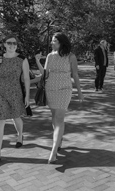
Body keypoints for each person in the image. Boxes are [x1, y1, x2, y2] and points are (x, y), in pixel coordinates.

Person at [35, 32, 84, 164]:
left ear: (61, 42)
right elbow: (44, 74)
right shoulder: (50, 56)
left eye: (54, 41)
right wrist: (37, 61)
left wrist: (79, 91)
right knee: (54, 116)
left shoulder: (71, 57)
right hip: (50, 89)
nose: (51, 43)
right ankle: (59, 139)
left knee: (59, 118)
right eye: (51, 41)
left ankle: (54, 150)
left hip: (64, 90)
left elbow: (75, 74)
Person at [0, 35, 30, 167]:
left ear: (16, 46)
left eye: (14, 43)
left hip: (15, 92)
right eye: (9, 43)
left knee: (16, 117)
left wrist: (27, 95)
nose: (12, 45)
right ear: (5, 44)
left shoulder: (22, 60)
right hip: (0, 92)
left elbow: (26, 78)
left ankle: (19, 136)